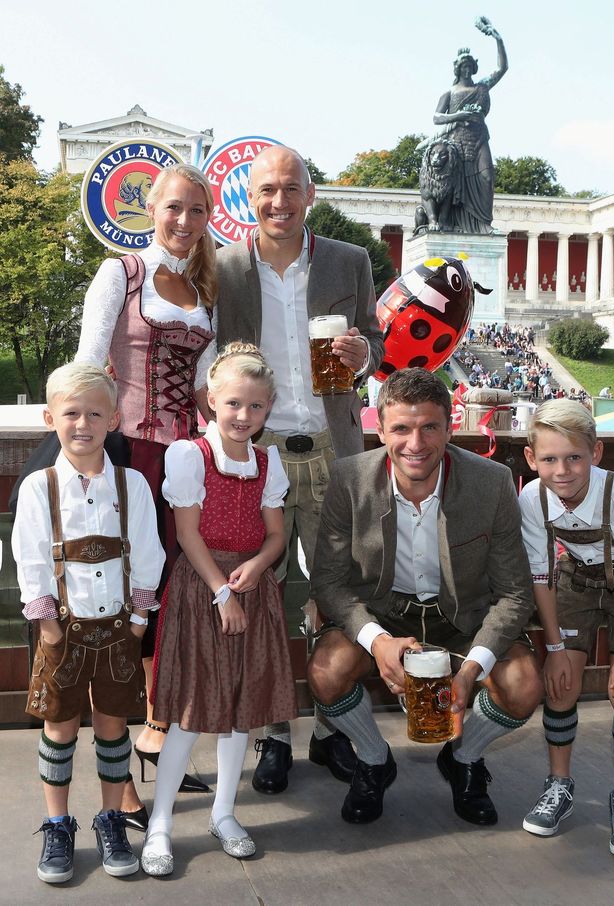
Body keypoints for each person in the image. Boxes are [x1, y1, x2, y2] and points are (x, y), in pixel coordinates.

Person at [215, 145, 384, 794]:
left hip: (332, 451)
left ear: (310, 194)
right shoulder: (224, 268)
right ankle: (274, 737)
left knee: (340, 596)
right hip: (257, 457)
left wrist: (361, 352)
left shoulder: (349, 260)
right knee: (260, 601)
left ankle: (329, 731)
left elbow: (371, 339)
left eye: (291, 188)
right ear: (249, 200)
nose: (279, 202)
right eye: (267, 191)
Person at [306, 368, 543, 825]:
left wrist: (471, 670)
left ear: (450, 428)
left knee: (524, 684)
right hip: (384, 611)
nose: (415, 443)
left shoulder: (491, 482)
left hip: (462, 617)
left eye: (429, 427)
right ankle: (374, 760)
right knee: (325, 670)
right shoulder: (349, 478)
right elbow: (328, 583)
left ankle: (464, 757)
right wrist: (377, 642)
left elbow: (515, 593)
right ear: (380, 428)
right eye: (401, 428)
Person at [76, 162, 218, 819]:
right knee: (124, 611)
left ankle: (156, 744)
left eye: (197, 211)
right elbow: (87, 367)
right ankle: (117, 782)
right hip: (130, 458)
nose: (185, 222)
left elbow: (199, 392)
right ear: (151, 208)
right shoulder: (121, 274)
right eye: (174, 208)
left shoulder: (203, 290)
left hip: (186, 463)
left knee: (173, 605)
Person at [140, 344, 297, 876]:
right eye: (233, 404)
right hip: (204, 587)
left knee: (239, 710)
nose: (243, 416)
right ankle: (161, 820)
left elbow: (276, 535)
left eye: (255, 407)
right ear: (211, 401)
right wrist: (222, 591)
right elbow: (187, 533)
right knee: (189, 710)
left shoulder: (268, 461)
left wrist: (257, 568)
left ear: (269, 408)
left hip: (251, 585)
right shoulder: (190, 455)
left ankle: (224, 813)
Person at [13, 363, 164, 883]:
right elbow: (30, 560)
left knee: (113, 726)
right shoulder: (40, 486)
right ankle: (57, 825)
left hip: (121, 629)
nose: (83, 423)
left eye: (95, 413)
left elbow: (148, 553)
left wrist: (140, 622)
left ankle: (111, 820)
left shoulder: (134, 484)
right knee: (58, 727)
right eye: (71, 413)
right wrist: (50, 630)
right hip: (64, 630)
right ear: (49, 416)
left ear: (115, 418)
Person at [519, 400, 614, 857]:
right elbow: (540, 574)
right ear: (531, 459)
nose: (562, 471)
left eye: (574, 457)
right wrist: (556, 646)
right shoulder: (532, 498)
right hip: (575, 584)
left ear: (595, 453)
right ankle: (559, 785)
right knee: (560, 687)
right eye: (549, 459)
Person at [420, 16, 507, 234]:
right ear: (458, 69)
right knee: (456, 188)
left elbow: (502, 68)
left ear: (474, 68)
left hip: (479, 139)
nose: (467, 69)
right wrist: (459, 116)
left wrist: (498, 38)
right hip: (456, 144)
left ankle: (483, 225)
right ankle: (458, 224)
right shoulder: (450, 93)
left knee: (487, 178)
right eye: (464, 66)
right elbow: (437, 118)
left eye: (470, 66)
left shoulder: (483, 86)